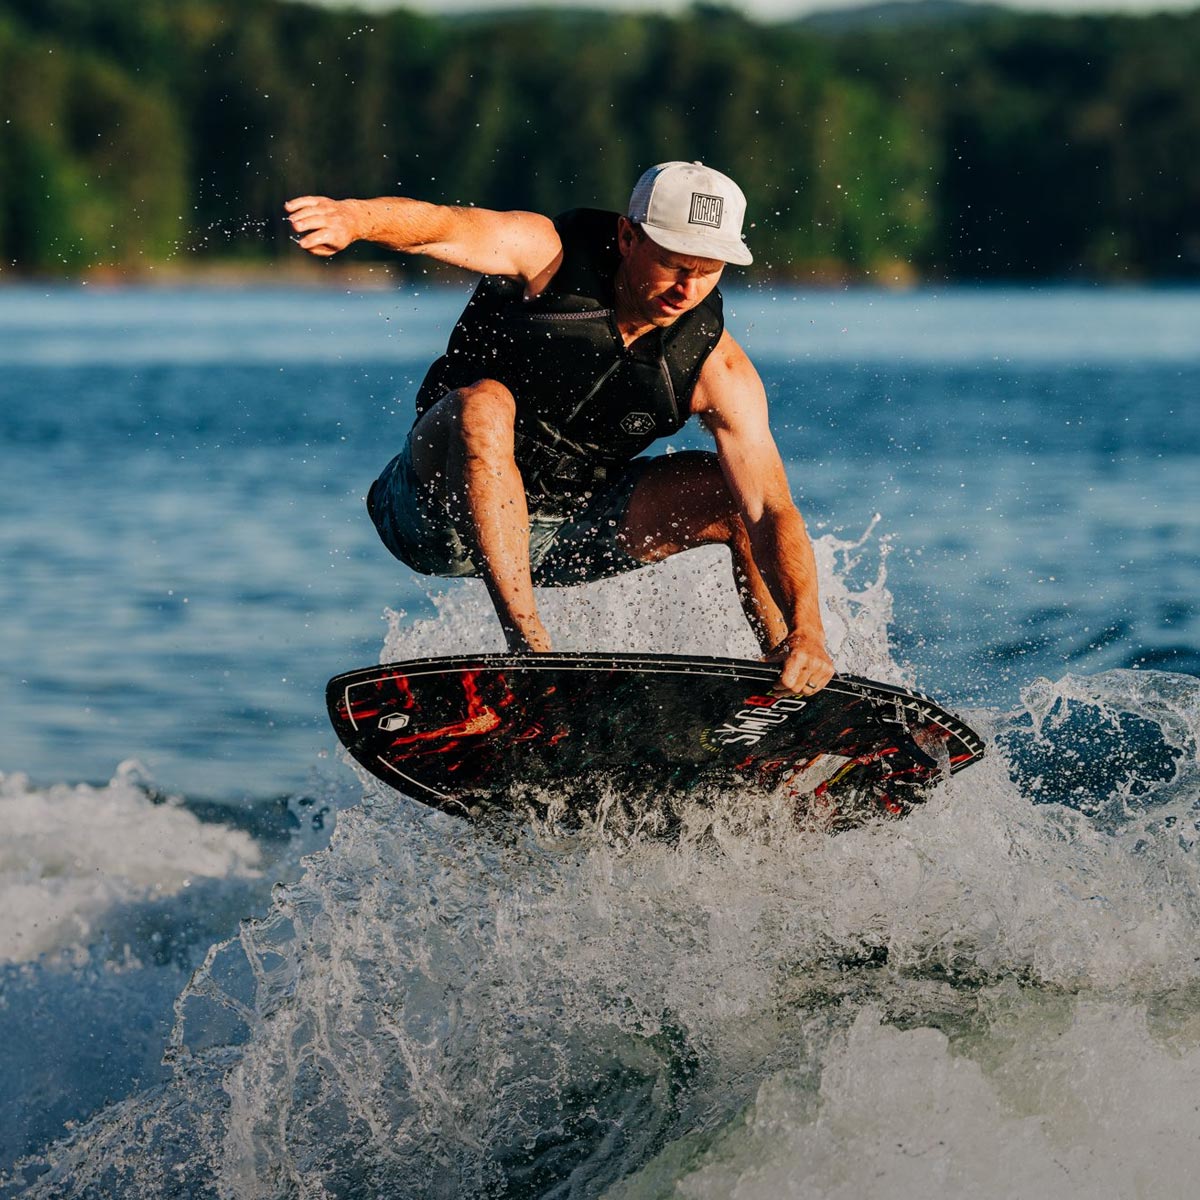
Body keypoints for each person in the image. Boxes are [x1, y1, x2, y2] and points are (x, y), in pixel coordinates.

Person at [285, 161, 835, 696]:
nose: (687, 290)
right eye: (674, 263)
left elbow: (771, 508)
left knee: (734, 499)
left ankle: (789, 678)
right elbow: (444, 225)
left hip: (570, 533)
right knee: (486, 405)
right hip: (432, 510)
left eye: (707, 271)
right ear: (627, 237)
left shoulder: (718, 369)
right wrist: (355, 218)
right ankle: (529, 649)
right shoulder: (544, 255)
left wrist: (808, 627)